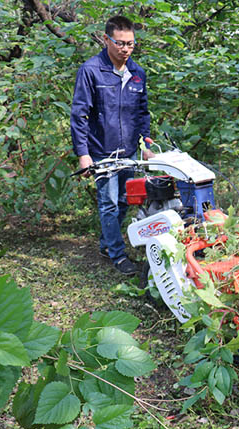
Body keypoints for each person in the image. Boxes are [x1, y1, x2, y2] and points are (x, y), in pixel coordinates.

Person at [70, 15, 154, 275]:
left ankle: (107, 244)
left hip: (128, 150)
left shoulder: (137, 73)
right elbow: (79, 114)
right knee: (108, 204)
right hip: (101, 151)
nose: (125, 49)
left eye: (130, 44)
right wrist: (83, 154)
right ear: (106, 39)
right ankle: (118, 255)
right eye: (120, 43)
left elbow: (142, 113)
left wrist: (146, 143)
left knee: (125, 200)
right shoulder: (91, 70)